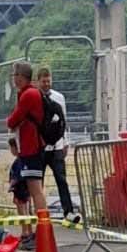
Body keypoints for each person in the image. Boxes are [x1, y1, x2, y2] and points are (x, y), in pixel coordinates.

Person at [6, 61, 46, 245]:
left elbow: (13, 120)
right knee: (25, 190)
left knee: (35, 190)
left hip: (31, 149)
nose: (13, 79)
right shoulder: (28, 93)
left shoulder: (29, 94)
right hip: (28, 149)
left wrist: (12, 121)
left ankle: (42, 229)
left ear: (21, 77)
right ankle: (31, 230)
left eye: (15, 76)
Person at [36, 66, 77, 221]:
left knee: (61, 178)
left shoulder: (59, 98)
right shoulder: (36, 98)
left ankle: (68, 211)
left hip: (57, 145)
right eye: (43, 81)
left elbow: (63, 121)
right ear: (38, 82)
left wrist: (66, 142)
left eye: (48, 81)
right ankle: (40, 212)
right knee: (39, 181)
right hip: (41, 147)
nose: (46, 84)